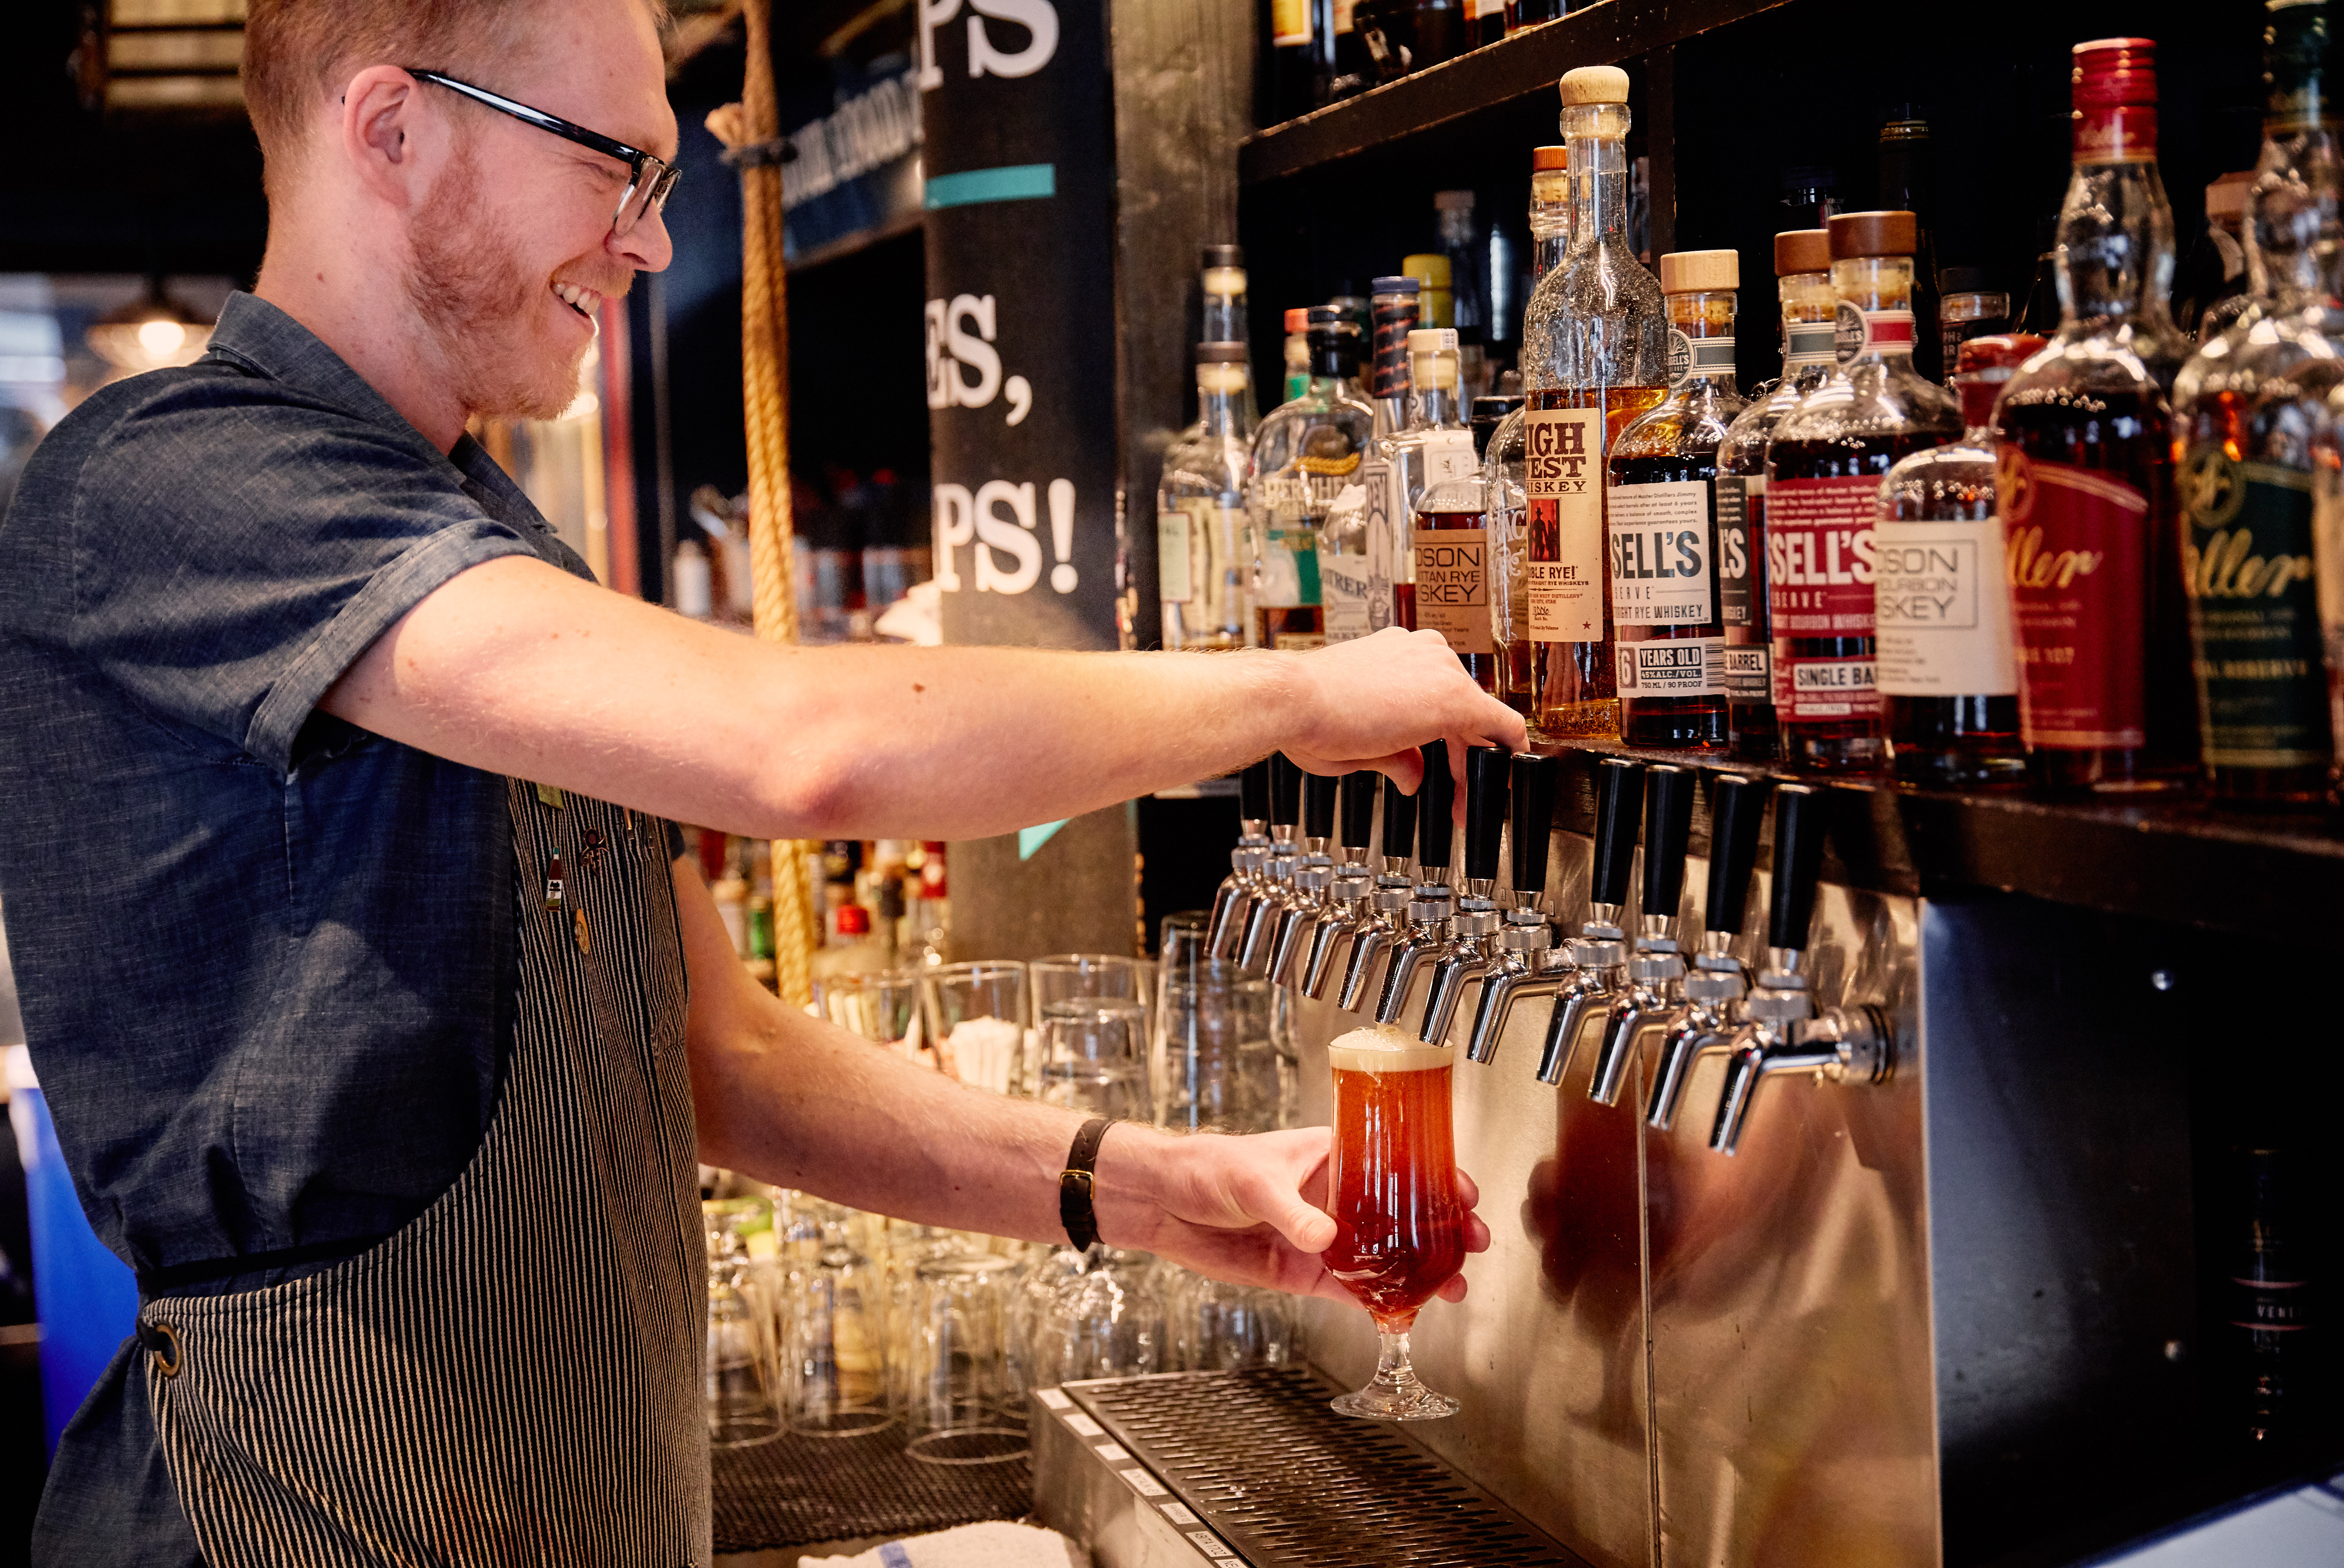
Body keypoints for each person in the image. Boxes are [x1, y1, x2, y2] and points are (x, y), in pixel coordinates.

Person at [0, 1, 1523, 1561]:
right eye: (620, 169)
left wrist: (1151, 1186)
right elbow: (802, 750)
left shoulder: (490, 535)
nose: (648, 248)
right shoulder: (169, 482)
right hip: (279, 1521)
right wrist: (1292, 692)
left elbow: (714, 1049)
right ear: (391, 128)